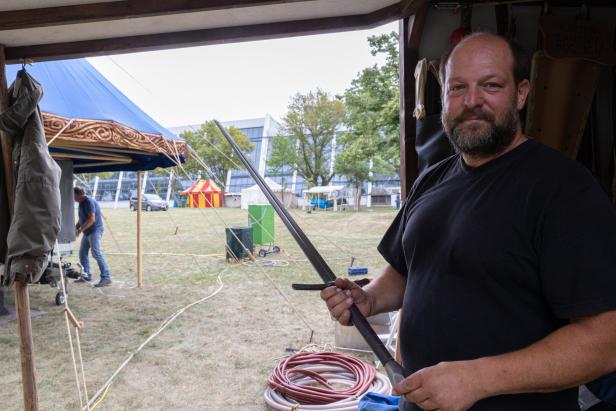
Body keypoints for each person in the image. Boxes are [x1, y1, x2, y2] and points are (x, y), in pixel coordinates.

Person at [321, 32, 616, 411]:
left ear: (521, 93)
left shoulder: (564, 190)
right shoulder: (431, 178)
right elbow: (406, 269)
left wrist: (478, 379)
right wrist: (369, 298)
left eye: (490, 85)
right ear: (443, 95)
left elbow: (606, 339)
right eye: (458, 87)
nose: (472, 101)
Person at [74, 186, 111, 287]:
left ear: (78, 194)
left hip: (95, 230)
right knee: (82, 253)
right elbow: (82, 219)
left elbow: (92, 219)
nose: (72, 198)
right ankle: (86, 275)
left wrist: (80, 230)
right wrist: (75, 227)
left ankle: (106, 277)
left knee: (96, 253)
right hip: (87, 231)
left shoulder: (88, 202)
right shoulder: (81, 203)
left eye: (73, 195)